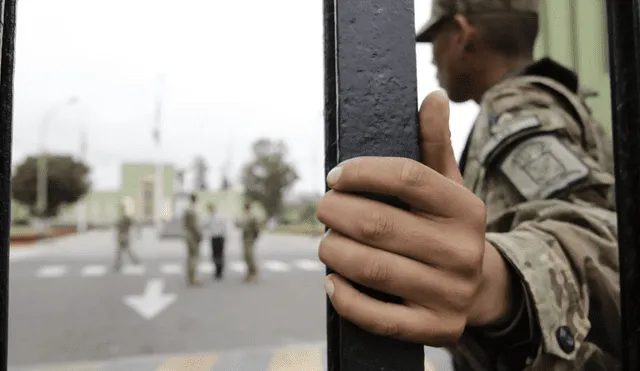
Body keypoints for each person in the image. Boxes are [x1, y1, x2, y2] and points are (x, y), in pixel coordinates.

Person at [316, 1, 620, 370]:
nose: (430, 58)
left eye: (435, 40)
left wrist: (497, 284)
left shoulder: (515, 113)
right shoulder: (553, 103)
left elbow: (596, 228)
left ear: (461, 34)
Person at [235, 201, 261, 283]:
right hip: (244, 237)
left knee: (250, 255)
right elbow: (239, 225)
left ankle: (254, 273)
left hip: (250, 237)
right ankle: (249, 273)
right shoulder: (244, 216)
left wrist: (255, 237)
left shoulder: (252, 216)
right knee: (246, 256)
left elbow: (256, 228)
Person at [114, 202, 140, 272]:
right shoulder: (121, 219)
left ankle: (119, 265)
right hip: (121, 236)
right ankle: (119, 265)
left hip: (124, 236)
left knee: (124, 251)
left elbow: (134, 223)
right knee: (122, 251)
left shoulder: (126, 218)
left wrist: (137, 232)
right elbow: (117, 227)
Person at [183, 193, 202, 286]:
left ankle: (190, 277)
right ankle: (193, 278)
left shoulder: (186, 209)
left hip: (187, 234)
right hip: (193, 236)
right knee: (194, 257)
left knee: (190, 256)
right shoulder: (193, 210)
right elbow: (195, 225)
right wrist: (199, 235)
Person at [205, 203, 227, 280]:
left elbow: (224, 227)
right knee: (215, 255)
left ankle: (219, 271)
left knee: (219, 254)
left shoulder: (219, 217)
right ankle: (217, 270)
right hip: (214, 237)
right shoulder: (210, 217)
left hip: (219, 237)